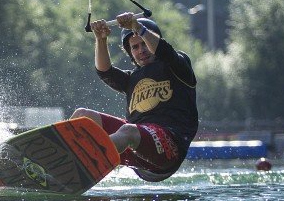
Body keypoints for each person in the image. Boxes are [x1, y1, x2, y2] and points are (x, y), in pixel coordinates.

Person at [71, 13, 199, 182]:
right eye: (135, 47)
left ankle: (77, 165)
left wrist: (136, 26)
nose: (141, 50)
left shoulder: (177, 65)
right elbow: (104, 71)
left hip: (168, 151)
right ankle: (52, 156)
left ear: (154, 40)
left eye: (144, 44)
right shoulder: (131, 79)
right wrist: (101, 39)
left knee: (128, 130)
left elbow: (164, 51)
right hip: (137, 151)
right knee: (83, 115)